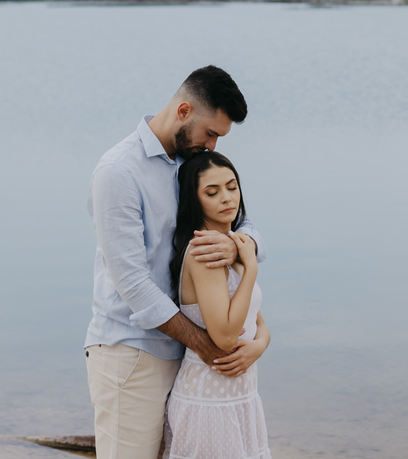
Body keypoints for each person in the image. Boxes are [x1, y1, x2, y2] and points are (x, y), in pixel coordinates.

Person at [85, 66, 268, 459]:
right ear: (184, 111)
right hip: (132, 354)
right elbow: (132, 283)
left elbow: (242, 221)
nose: (214, 145)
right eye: (212, 133)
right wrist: (205, 344)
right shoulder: (119, 171)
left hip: (186, 360)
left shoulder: (192, 162)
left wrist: (240, 248)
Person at [163, 151, 271, 459]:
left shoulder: (233, 245)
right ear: (194, 200)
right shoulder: (204, 252)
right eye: (212, 192)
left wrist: (260, 345)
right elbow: (224, 337)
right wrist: (251, 269)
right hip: (209, 399)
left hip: (240, 394)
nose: (227, 198)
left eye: (232, 187)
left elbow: (256, 322)